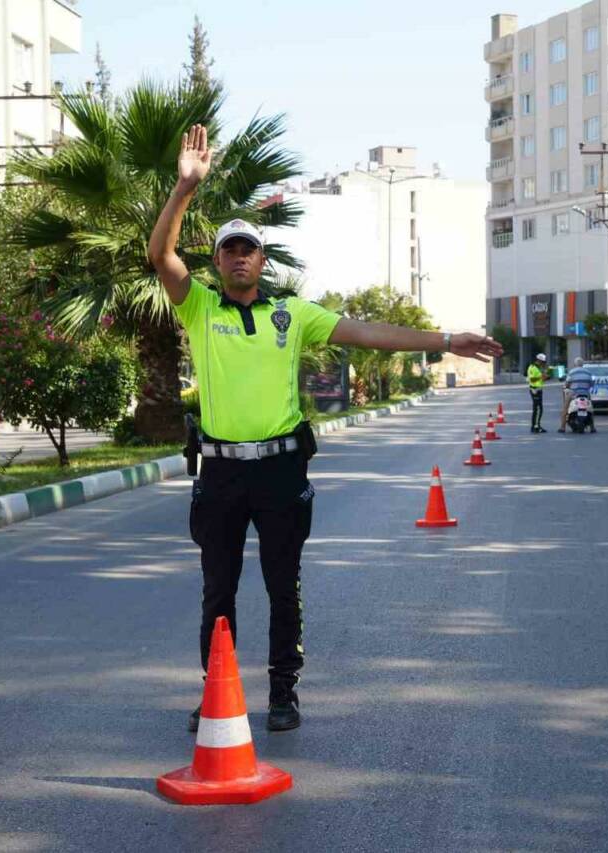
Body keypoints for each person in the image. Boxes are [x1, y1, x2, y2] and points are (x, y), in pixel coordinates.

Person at [149, 125, 501, 733]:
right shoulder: (200, 308)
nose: (238, 257)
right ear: (218, 260)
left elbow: (371, 333)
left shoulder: (293, 314)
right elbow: (161, 257)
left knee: (283, 587)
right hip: (223, 470)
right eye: (229, 249)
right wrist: (184, 188)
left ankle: (283, 692)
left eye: (248, 250)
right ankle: (217, 692)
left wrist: (448, 340)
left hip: (282, 470)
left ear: (263, 260)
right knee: (218, 593)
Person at [560, 357, 596, 433]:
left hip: (574, 393)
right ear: (582, 364)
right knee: (590, 408)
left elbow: (567, 383)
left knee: (565, 408)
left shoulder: (571, 372)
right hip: (585, 393)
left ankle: (562, 427)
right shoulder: (588, 372)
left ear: (575, 364)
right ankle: (592, 427)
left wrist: (567, 386)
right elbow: (592, 384)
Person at [528, 353, 548, 433]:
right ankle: (535, 426)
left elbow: (541, 379)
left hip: (539, 389)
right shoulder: (532, 367)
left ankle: (536, 425)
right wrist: (541, 377)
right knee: (537, 409)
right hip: (534, 390)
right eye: (543, 362)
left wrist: (546, 377)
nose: (544, 363)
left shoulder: (539, 368)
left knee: (539, 409)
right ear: (539, 360)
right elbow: (532, 379)